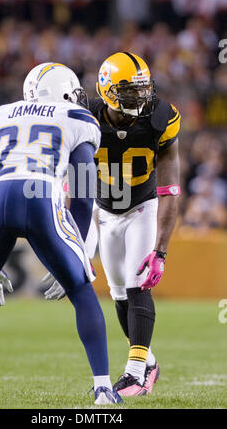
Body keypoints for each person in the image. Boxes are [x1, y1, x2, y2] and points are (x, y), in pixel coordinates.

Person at [0, 63, 122, 406]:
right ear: (64, 90)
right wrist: (77, 252)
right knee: (81, 289)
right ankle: (104, 388)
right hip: (42, 194)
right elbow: (82, 189)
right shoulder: (77, 118)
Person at [44, 52, 181, 397]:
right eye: (129, 90)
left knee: (137, 285)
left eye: (143, 88)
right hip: (102, 211)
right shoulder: (84, 117)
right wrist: (74, 242)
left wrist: (160, 252)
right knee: (118, 292)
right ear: (107, 90)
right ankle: (148, 362)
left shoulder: (160, 118)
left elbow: (170, 190)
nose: (140, 97)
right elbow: (71, 185)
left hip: (142, 207)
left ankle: (135, 373)